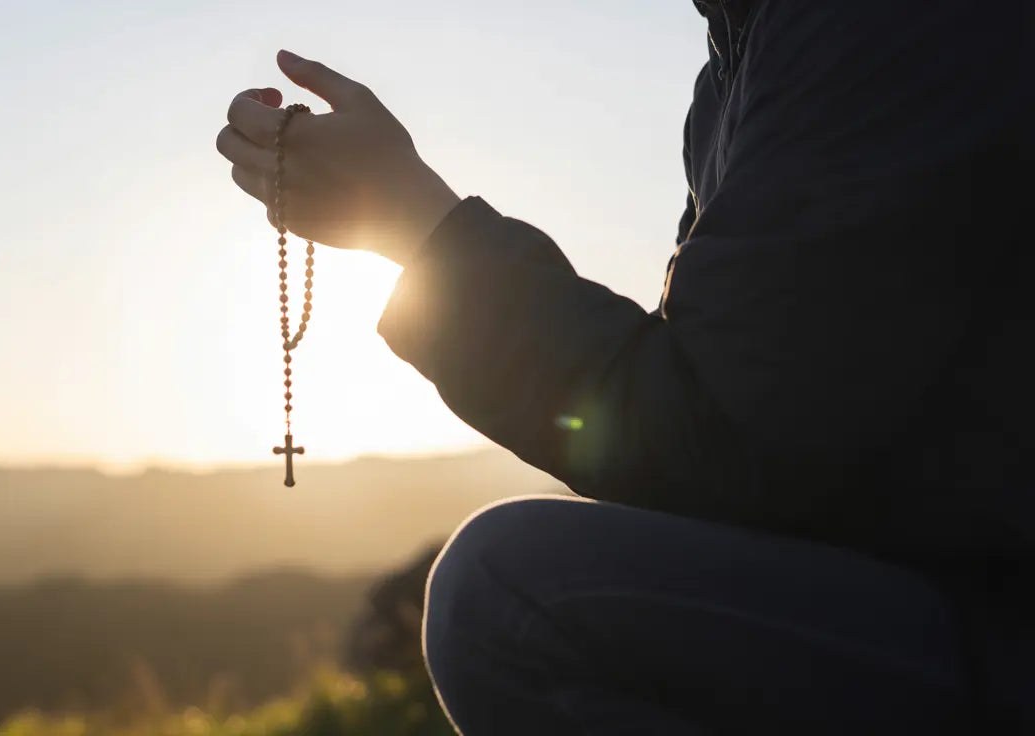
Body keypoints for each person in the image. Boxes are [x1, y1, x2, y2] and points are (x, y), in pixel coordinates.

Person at [215, 0, 1033, 732]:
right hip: (921, 574)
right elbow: (728, 405)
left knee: (510, 595)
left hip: (993, 614)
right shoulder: (734, 72)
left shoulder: (873, 25)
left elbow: (718, 431)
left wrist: (413, 224)